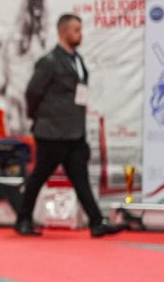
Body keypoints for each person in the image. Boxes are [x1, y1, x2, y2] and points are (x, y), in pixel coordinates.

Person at [15, 13, 125, 238]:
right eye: (76, 30)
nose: (80, 34)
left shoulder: (77, 60)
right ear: (64, 31)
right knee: (38, 178)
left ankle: (96, 222)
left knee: (81, 180)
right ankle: (22, 219)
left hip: (74, 133)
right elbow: (32, 93)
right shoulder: (49, 61)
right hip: (52, 133)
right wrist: (38, 118)